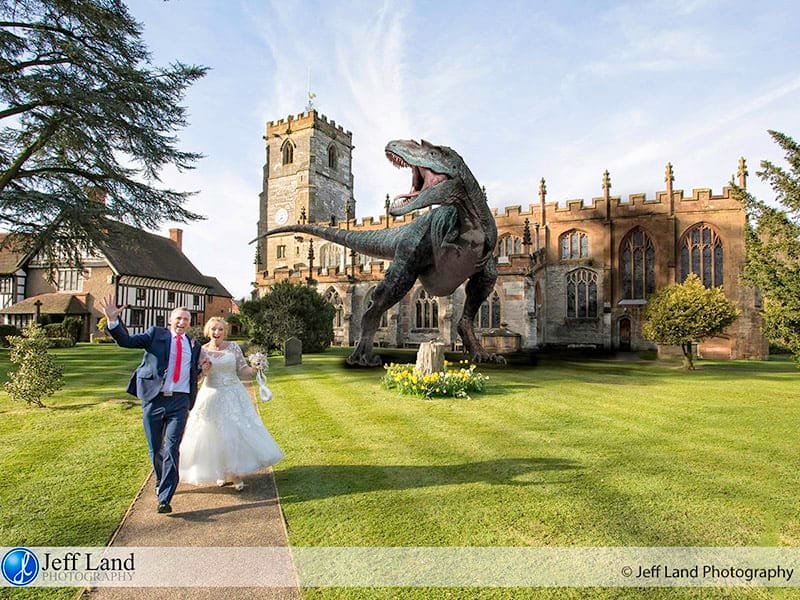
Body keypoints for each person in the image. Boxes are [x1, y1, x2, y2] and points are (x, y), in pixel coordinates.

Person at [100, 296, 209, 514]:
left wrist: (201, 371)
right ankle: (160, 479)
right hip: (154, 399)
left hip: (179, 400)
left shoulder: (193, 345)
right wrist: (113, 321)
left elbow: (189, 372)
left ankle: (165, 497)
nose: (182, 322)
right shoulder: (155, 334)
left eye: (186, 319)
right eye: (179, 318)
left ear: (190, 323)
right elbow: (126, 341)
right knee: (155, 448)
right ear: (170, 320)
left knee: (171, 447)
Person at [179, 317, 283, 491]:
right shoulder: (202, 350)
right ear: (207, 331)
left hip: (234, 395)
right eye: (213, 329)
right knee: (212, 434)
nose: (216, 333)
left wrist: (257, 367)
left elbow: (243, 371)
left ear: (225, 331)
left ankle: (234, 473)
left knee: (234, 433)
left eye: (220, 329)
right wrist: (203, 371)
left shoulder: (233, 348)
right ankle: (220, 472)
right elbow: (196, 378)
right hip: (211, 395)